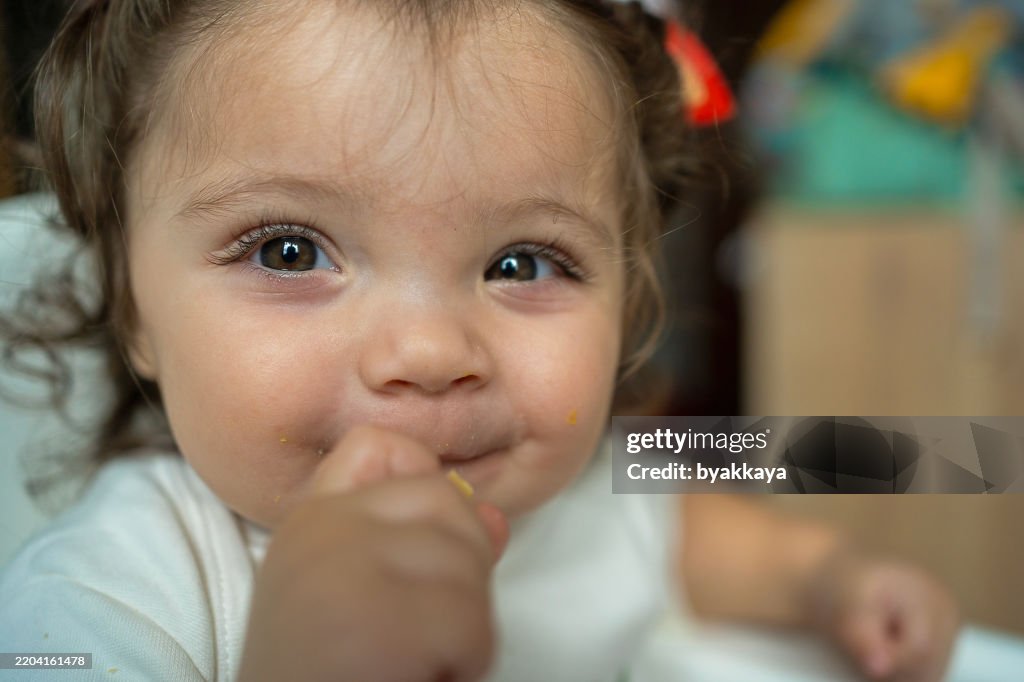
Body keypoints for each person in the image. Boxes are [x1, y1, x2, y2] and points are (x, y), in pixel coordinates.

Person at [0, 1, 959, 680]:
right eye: (289, 251)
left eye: (523, 264)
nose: (426, 351)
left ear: (629, 301)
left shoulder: (583, 483)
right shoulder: (109, 591)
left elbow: (695, 532)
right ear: (133, 311)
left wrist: (836, 581)